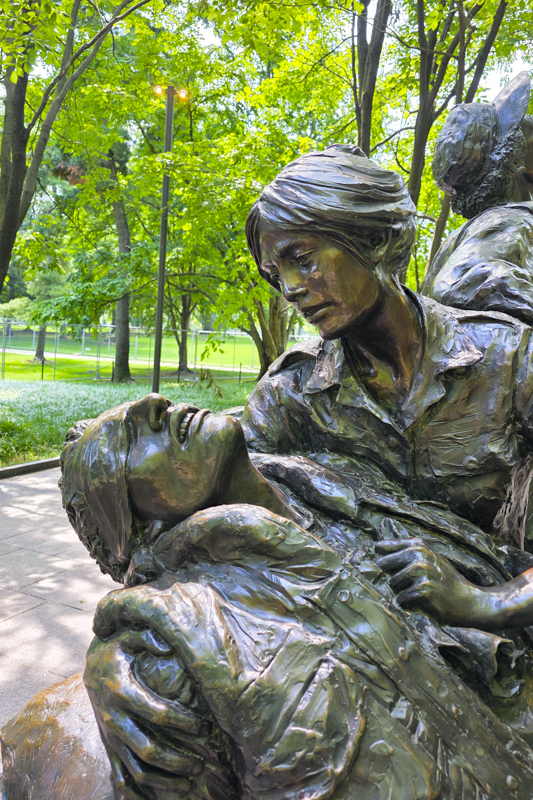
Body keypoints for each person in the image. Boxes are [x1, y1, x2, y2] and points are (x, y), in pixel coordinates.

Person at [5, 395, 533, 799]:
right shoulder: (174, 647)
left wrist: (484, 602)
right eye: (129, 441)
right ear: (135, 532)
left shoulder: (334, 477)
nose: (153, 404)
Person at [422, 71, 533, 325]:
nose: (529, 123)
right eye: (518, 127)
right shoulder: (514, 221)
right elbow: (461, 280)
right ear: (515, 159)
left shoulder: (457, 239)